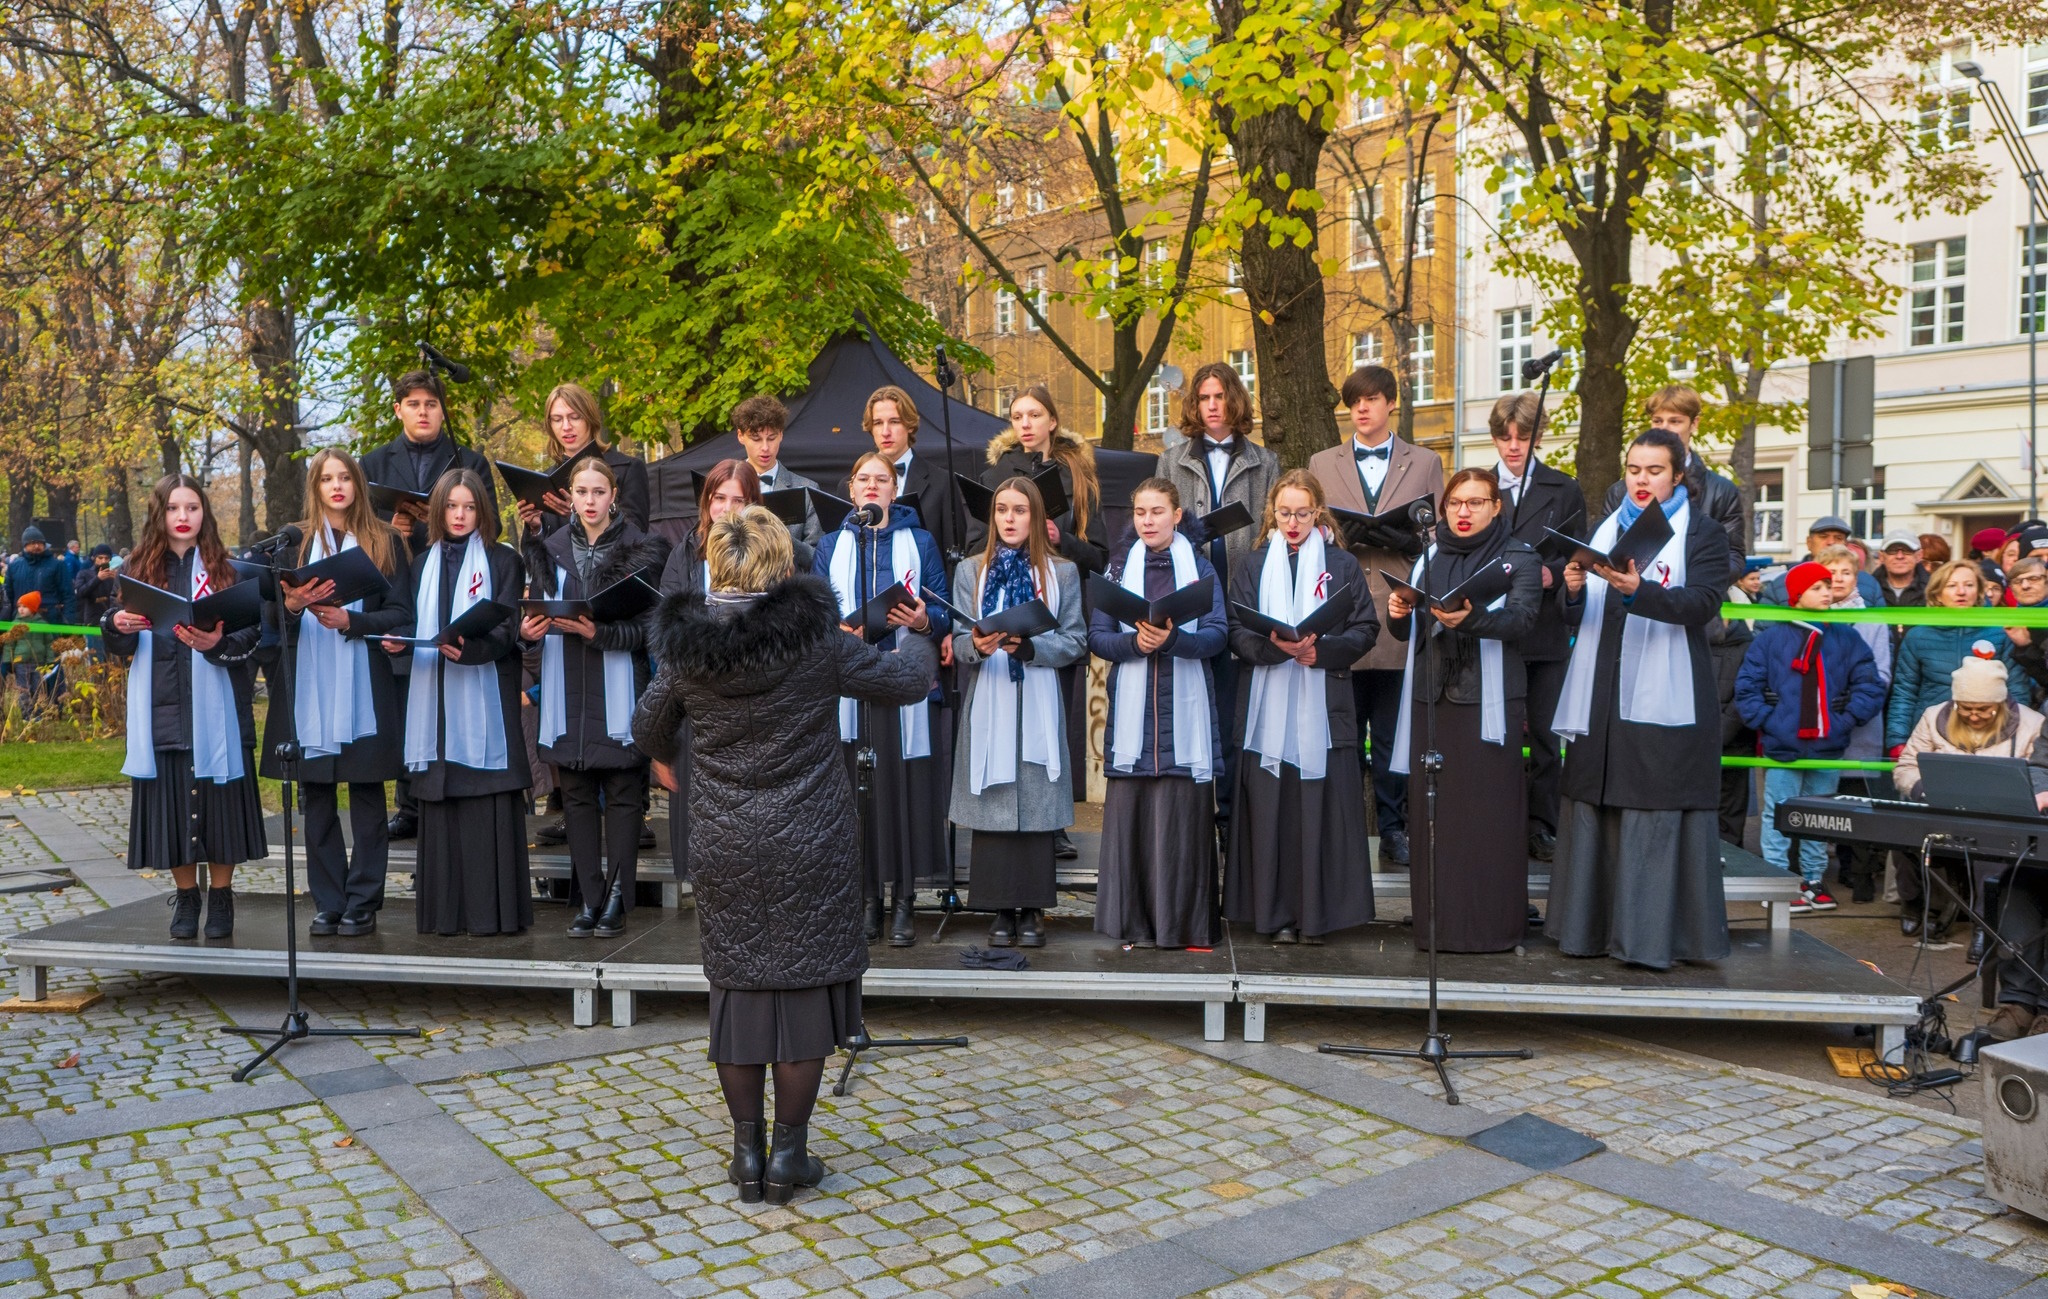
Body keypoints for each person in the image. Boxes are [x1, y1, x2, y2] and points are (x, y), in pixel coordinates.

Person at [633, 505, 939, 1205]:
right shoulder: (817, 641)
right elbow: (904, 682)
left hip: (726, 841)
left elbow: (646, 727)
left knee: (738, 993)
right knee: (802, 995)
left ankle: (747, 1157)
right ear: (782, 566)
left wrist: (685, 747)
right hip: (810, 840)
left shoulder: (688, 651)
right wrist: (919, 638)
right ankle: (788, 1158)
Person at [1548, 428, 1731, 970]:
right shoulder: (1604, 530)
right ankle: (1588, 930)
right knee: (1596, 796)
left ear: (1678, 475)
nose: (1643, 480)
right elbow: (1571, 618)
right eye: (1634, 469)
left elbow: (1702, 604)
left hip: (1665, 689)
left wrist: (1640, 591)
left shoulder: (1702, 533)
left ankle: (1650, 938)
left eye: (1655, 470)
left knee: (1651, 796)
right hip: (1601, 687)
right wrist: (1574, 588)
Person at [101, 475, 268, 939]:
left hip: (217, 708)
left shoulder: (228, 569)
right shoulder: (137, 568)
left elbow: (251, 636)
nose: (183, 517)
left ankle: (221, 896)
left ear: (204, 514)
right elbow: (116, 638)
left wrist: (218, 641)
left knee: (221, 801)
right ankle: (186, 896)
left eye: (192, 508)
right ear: (159, 514)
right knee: (171, 800)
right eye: (174, 509)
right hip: (161, 704)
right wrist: (117, 622)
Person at [1385, 468, 1543, 952]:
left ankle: (1493, 927)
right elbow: (1406, 637)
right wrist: (1396, 614)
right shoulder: (1428, 557)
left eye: (1476, 502)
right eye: (1455, 503)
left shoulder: (1519, 556)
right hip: (1433, 702)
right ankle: (1439, 925)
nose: (1463, 512)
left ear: (1497, 506)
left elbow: (1523, 620)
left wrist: (1472, 618)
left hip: (1487, 705)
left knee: (1489, 817)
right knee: (1438, 818)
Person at [1223, 469, 1382, 944]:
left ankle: (1318, 918)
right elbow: (1236, 628)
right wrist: (1274, 648)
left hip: (1323, 704)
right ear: (1273, 512)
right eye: (1284, 512)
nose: (1293, 522)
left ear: (1318, 512)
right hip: (1266, 708)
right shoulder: (1252, 566)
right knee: (1271, 810)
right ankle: (1272, 915)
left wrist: (1321, 652)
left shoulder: (1342, 564)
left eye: (1303, 512)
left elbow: (1366, 628)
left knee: (1318, 810)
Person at [265, 449, 413, 937]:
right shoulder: (293, 547)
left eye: (344, 477)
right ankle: (327, 900)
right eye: (326, 478)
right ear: (314, 487)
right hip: (309, 682)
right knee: (318, 795)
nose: (336, 486)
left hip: (364, 682)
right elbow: (268, 624)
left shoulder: (385, 542)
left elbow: (401, 616)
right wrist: (289, 604)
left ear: (358, 483)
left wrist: (355, 620)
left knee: (368, 794)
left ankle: (363, 901)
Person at [521, 457, 670, 938]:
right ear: (571, 495)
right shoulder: (551, 547)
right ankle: (588, 899)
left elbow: (652, 629)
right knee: (578, 798)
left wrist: (599, 632)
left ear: (613, 496)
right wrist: (529, 632)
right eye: (581, 492)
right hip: (566, 688)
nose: (589, 501)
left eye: (598, 492)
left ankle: (618, 899)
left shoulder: (640, 549)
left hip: (619, 687)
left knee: (625, 797)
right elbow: (535, 619)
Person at [380, 468, 532, 936]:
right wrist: (400, 642)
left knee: (486, 804)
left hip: (486, 696)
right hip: (435, 702)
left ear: (481, 510)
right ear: (439, 512)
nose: (460, 515)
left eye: (469, 506)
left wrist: (471, 651)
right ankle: (444, 916)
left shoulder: (504, 561)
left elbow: (507, 631)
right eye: (451, 506)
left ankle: (493, 916)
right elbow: (408, 618)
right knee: (442, 807)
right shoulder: (421, 562)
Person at [1307, 364, 1443, 869]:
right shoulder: (1323, 461)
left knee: (1390, 734)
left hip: (1396, 609)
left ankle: (1393, 829)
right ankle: (1338, 829)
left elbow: (1436, 536)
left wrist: (1406, 540)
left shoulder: (1425, 461)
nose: (1361, 408)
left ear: (1390, 403)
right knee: (1340, 730)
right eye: (1354, 401)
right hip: (1341, 609)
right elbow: (1311, 527)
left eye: (1371, 399)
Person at [813, 450, 950, 946]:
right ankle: (867, 899)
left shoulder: (922, 541)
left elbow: (942, 612)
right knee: (859, 793)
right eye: (863, 478)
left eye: (882, 479)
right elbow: (814, 614)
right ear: (851, 490)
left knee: (904, 792)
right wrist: (839, 630)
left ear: (895, 490)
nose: (872, 486)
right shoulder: (831, 544)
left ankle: (906, 899)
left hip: (904, 680)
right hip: (850, 687)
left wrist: (921, 622)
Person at [360, 369, 498, 843]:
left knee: (452, 690)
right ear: (397, 409)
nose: (423, 411)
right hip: (398, 587)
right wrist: (389, 533)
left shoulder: (469, 461)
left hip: (459, 581)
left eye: (431, 404)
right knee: (406, 694)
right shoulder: (373, 463)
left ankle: (459, 788)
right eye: (413, 403)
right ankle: (409, 803)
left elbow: (491, 525)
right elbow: (358, 530)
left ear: (443, 411)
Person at [656, 460, 811, 881]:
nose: (726, 508)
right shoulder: (685, 552)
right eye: (718, 498)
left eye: (737, 500)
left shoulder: (779, 552)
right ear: (706, 502)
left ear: (754, 504)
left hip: (764, 699)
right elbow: (667, 638)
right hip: (699, 699)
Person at [1089, 478, 1226, 950]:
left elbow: (1217, 635)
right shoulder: (1118, 567)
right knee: (1133, 824)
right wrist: (1133, 642)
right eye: (1140, 512)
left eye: (1157, 512)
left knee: (1180, 826)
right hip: (1132, 725)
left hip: (1183, 720)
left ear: (1177, 514)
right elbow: (1097, 636)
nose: (1147, 520)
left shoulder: (1200, 568)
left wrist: (1173, 641)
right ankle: (1133, 927)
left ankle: (1183, 927)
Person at [950, 478, 1087, 948]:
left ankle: (1031, 908)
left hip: (1038, 695)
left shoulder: (1062, 573)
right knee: (995, 791)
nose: (1009, 518)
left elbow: (1074, 640)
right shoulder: (971, 571)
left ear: (1035, 517)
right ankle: (999, 908)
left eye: (1020, 510)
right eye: (1002, 510)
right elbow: (958, 640)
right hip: (989, 693)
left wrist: (1029, 647)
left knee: (1033, 790)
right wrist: (979, 645)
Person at [1154, 362, 1279, 841]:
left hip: (1241, 595)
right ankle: (1188, 816)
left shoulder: (1265, 461)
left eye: (1219, 397)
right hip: (1190, 597)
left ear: (1235, 401)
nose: (1211, 406)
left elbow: (1271, 528)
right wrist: (1194, 530)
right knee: (1187, 706)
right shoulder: (1172, 459)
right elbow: (1157, 521)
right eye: (1204, 397)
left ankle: (1229, 814)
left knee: (1231, 714)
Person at [986, 385, 1106, 860]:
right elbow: (981, 536)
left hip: (1058, 603)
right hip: (1004, 589)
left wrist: (1061, 539)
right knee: (1005, 712)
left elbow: (1099, 555)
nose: (1026, 424)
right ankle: (1003, 808)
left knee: (1057, 716)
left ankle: (1054, 819)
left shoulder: (1079, 475)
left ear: (1053, 421)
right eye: (1018, 416)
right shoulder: (998, 473)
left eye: (1035, 414)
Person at [1734, 561, 1885, 914]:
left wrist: (1844, 719)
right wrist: (1771, 721)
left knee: (1818, 816)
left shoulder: (1846, 637)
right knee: (1779, 812)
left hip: (1827, 746)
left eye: (1828, 587)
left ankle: (1813, 879)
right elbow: (1748, 688)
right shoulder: (1772, 639)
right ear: (1796, 596)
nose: (1827, 593)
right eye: (1817, 588)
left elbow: (1869, 683)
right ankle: (1777, 879)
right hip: (1782, 746)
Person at [1485, 391, 1586, 862]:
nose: (1512, 446)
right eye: (1504, 437)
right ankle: (1498, 819)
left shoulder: (1563, 488)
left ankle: (1542, 825)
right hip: (1495, 628)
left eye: (1522, 437)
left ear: (1537, 437)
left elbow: (1577, 549)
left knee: (1546, 736)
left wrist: (1555, 570)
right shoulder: (1480, 486)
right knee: (1497, 733)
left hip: (1544, 631)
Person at [1894, 655, 2046, 957]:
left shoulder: (2032, 724)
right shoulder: (1933, 716)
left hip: (1999, 819)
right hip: (1942, 810)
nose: (1974, 716)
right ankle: (1915, 904)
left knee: (1993, 853)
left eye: (1983, 710)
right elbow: (1906, 766)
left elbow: (2038, 776)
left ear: (2000, 704)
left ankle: (1983, 924)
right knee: (1901, 836)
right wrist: (1923, 789)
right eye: (1965, 709)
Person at [1818, 543, 1895, 903]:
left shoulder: (1872, 620)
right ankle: (1815, 876)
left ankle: (1859, 873)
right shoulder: (1809, 616)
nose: (1838, 578)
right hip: (1817, 725)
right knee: (1821, 802)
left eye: (1846, 572)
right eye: (1831, 571)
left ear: (1857, 579)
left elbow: (1881, 674)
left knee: (1859, 804)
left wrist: (1849, 706)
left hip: (1861, 725)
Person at [1601, 385, 1745, 567]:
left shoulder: (1721, 491)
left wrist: (1698, 582)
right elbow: (1606, 546)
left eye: (1675, 421)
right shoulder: (1619, 491)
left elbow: (1734, 555)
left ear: (1694, 424)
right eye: (1657, 421)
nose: (1664, 429)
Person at [513, 381, 651, 540]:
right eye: (557, 419)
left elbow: (636, 535)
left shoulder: (628, 469)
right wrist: (536, 528)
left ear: (590, 419)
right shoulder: (544, 480)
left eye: (575, 417)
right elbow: (540, 556)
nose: (566, 426)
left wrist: (579, 512)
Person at [864, 385, 968, 562]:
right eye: (878, 423)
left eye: (894, 421)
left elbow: (954, 556)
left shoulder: (942, 483)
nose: (885, 431)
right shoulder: (853, 485)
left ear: (910, 425)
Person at [732, 394, 821, 548]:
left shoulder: (807, 490)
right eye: (756, 439)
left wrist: (781, 540)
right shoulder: (726, 487)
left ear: (781, 434)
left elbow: (817, 556)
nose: (765, 447)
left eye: (771, 438)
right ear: (740, 436)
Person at [1710, 569, 1759, 846]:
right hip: (1696, 741)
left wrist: (1721, 731)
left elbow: (1748, 692)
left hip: (1734, 742)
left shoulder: (1749, 646)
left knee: (1730, 813)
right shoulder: (1689, 644)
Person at [4, 525, 68, 701]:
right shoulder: (15, 567)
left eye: (38, 542)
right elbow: (8, 596)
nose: (36, 546)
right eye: (31, 543)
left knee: (53, 663)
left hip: (50, 620)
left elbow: (68, 595)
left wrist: (68, 625)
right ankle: (29, 705)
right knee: (25, 666)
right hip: (21, 624)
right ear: (24, 546)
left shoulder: (57, 565)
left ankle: (56, 703)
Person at [1759, 516, 1882, 605]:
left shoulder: (1869, 584)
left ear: (1846, 544)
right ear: (1809, 543)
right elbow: (1765, 634)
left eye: (1838, 538)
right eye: (1823, 537)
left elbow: (1883, 631)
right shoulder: (1782, 584)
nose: (1831, 542)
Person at [74, 544, 118, 631]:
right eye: (100, 558)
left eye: (106, 558)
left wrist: (118, 580)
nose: (103, 561)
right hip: (92, 619)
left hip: (111, 618)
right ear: (94, 558)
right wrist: (98, 579)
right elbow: (80, 593)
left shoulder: (114, 575)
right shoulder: (84, 573)